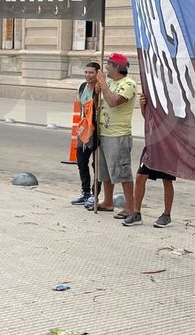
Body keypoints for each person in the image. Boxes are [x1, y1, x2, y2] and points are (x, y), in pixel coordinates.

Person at [86, 52, 137, 220]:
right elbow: (97, 103)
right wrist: (97, 90)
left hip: (118, 134)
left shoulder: (128, 84)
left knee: (122, 171)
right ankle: (108, 201)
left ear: (117, 67)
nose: (105, 67)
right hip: (103, 133)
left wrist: (103, 85)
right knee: (104, 171)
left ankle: (130, 207)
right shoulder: (108, 83)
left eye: (108, 64)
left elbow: (114, 102)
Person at [123, 94, 175, 227]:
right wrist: (142, 105)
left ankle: (166, 214)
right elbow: (148, 118)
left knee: (167, 180)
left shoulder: (174, 99)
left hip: (169, 146)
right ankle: (136, 213)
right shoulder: (154, 92)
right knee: (141, 176)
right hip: (153, 144)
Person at [70, 62, 101, 206]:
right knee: (81, 161)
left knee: (97, 163)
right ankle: (85, 191)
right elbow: (82, 108)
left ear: (97, 73)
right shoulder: (83, 87)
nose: (88, 75)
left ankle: (95, 194)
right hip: (84, 129)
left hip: (97, 129)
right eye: (86, 72)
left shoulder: (100, 88)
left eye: (91, 73)